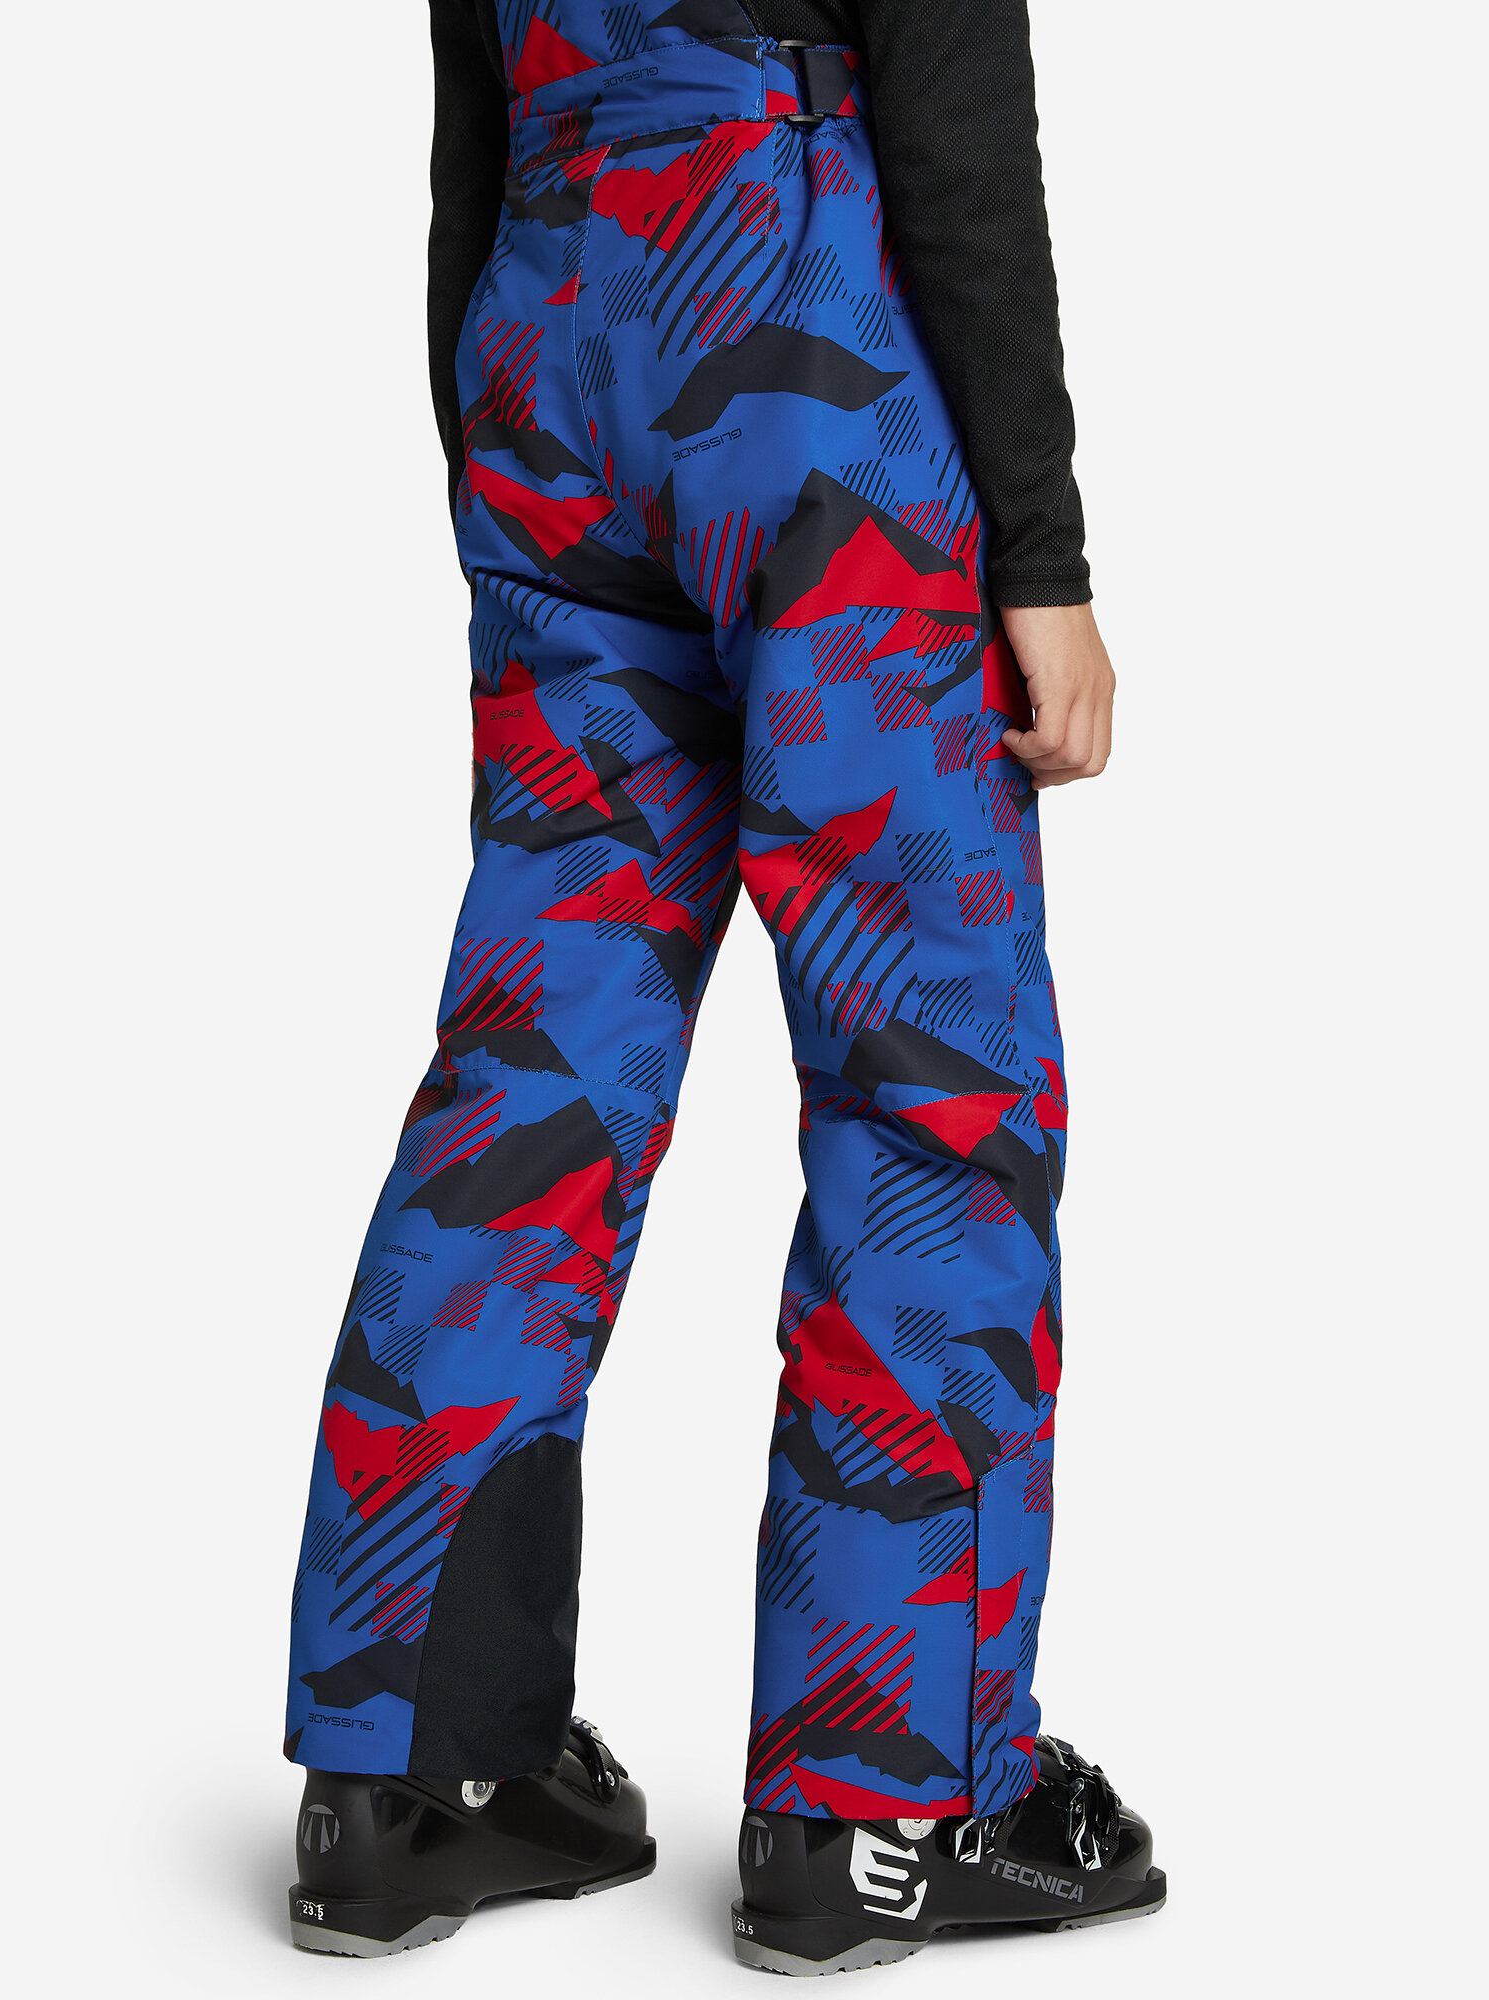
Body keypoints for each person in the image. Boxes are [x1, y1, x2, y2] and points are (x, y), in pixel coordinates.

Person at [285, 0, 1163, 1971]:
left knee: (536, 1064)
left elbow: (471, 139)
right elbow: (952, 112)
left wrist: (512, 476)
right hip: (794, 348)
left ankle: (409, 1778)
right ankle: (883, 1803)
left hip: (549, 340)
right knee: (928, 1074)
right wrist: (1039, 551)